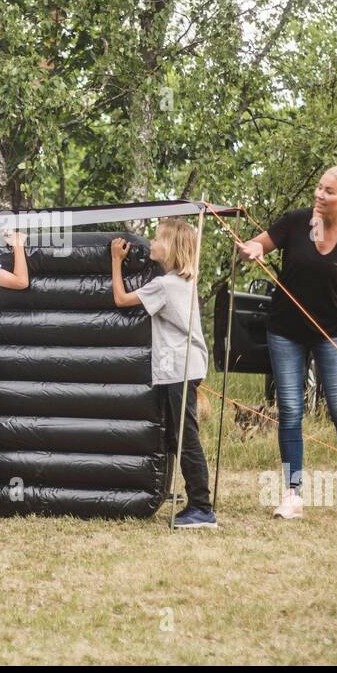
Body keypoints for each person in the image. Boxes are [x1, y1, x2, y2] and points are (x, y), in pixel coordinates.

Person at [235, 166, 337, 523]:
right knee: (291, 410)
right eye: (319, 187)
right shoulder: (295, 222)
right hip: (284, 330)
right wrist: (250, 250)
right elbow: (257, 245)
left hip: (329, 331)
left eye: (328, 191)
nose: (319, 195)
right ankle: (292, 495)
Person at [110, 219, 216, 529]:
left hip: (178, 367)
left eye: (157, 239)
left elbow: (120, 299)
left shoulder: (165, 285)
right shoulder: (181, 282)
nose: (151, 243)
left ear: (170, 247)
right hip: (185, 366)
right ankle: (192, 499)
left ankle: (202, 506)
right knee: (178, 435)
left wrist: (116, 262)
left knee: (185, 437)